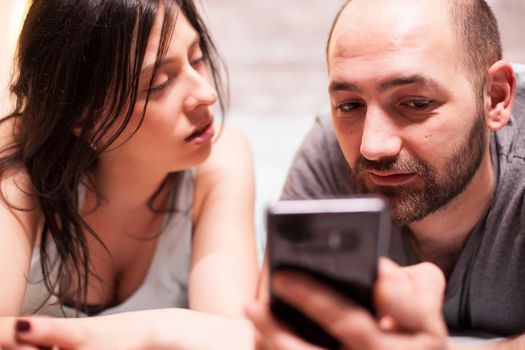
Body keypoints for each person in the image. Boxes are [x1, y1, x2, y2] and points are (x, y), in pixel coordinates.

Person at [246, 0, 525, 348]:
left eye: (416, 103)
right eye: (350, 106)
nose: (372, 146)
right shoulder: (328, 151)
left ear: (495, 97)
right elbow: (280, 333)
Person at [0, 0, 258, 348]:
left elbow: (233, 338)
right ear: (83, 118)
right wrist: (166, 331)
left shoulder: (220, 160)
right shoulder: (19, 159)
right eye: (160, 83)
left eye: (197, 58)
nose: (206, 94)